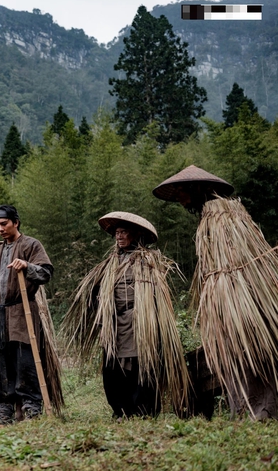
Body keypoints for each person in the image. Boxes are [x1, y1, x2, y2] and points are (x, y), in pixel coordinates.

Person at [154, 165, 278, 420]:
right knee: (236, 349)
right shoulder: (216, 215)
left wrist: (222, 291)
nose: (179, 198)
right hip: (229, 295)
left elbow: (232, 264)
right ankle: (248, 409)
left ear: (197, 189)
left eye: (181, 191)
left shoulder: (222, 217)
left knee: (250, 347)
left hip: (241, 297)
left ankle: (260, 411)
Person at [61, 212, 189, 419]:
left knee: (142, 365)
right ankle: (120, 410)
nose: (119, 236)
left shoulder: (148, 261)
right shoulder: (110, 263)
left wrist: (150, 315)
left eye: (124, 232)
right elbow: (94, 291)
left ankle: (143, 410)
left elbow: (158, 293)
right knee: (113, 369)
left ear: (135, 235)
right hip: (114, 324)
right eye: (117, 233)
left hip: (140, 320)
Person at [0, 205, 63, 424]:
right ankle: (4, 412)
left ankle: (32, 410)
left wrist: (28, 266)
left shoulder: (31, 245)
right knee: (0, 363)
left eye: (4, 224)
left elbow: (46, 273)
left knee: (25, 362)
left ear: (16, 222)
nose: (0, 229)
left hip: (22, 312)